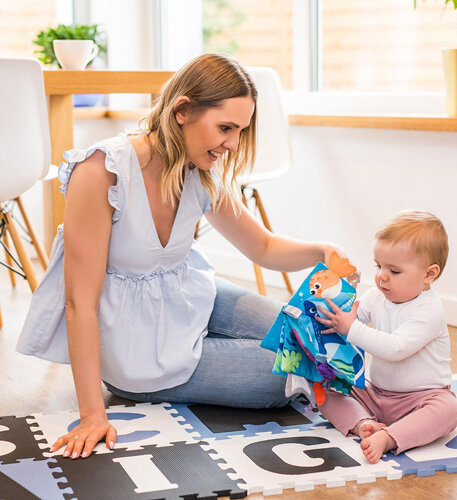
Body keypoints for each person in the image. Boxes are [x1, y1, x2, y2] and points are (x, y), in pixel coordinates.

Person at [16, 53, 355, 460]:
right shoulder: (102, 171)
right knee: (284, 373)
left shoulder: (200, 170)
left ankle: (217, 350)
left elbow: (262, 246)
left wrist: (321, 250)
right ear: (182, 110)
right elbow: (78, 302)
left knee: (309, 333)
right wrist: (92, 415)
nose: (232, 144)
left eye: (240, 131)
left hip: (190, 295)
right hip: (138, 353)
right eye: (225, 128)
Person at [315, 210, 457, 464]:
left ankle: (390, 437)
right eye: (379, 266)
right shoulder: (377, 295)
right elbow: (352, 316)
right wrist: (332, 303)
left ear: (429, 274)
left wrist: (351, 328)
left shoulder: (430, 310)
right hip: (375, 393)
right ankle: (364, 425)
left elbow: (396, 348)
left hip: (421, 398)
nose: (382, 276)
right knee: (324, 388)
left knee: (449, 411)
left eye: (394, 271)